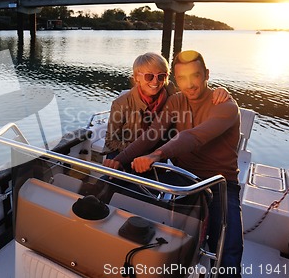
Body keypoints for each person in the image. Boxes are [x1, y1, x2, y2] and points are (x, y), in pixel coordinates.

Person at [103, 50, 243, 278]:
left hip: (219, 183)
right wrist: (118, 161)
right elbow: (152, 134)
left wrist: (156, 155)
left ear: (206, 74)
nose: (189, 84)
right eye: (182, 78)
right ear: (176, 80)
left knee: (229, 248)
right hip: (180, 177)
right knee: (132, 207)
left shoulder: (225, 105)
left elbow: (193, 137)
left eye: (195, 75)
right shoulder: (176, 100)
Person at [104, 52, 230, 159]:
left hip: (157, 155)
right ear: (137, 77)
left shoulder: (171, 94)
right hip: (123, 151)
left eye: (161, 76)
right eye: (149, 76)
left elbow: (193, 91)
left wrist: (220, 90)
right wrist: (138, 152)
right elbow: (110, 141)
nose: (155, 81)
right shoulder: (121, 104)